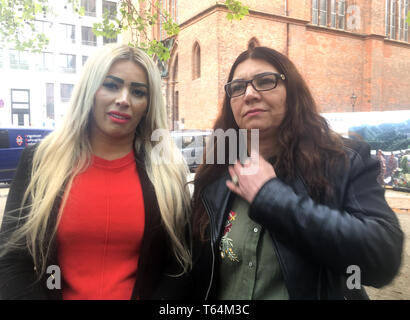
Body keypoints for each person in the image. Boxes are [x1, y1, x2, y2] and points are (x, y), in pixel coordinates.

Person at [191, 46, 403, 300]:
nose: (249, 94)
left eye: (265, 81)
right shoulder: (215, 174)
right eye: (237, 87)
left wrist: (270, 196)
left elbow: (382, 259)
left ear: (292, 92)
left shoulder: (343, 161)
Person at [0, 44, 192, 300]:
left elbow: (179, 265)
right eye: (111, 85)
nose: (124, 99)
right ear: (89, 90)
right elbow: (11, 260)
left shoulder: (167, 172)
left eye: (137, 91)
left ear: (148, 103)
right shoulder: (39, 162)